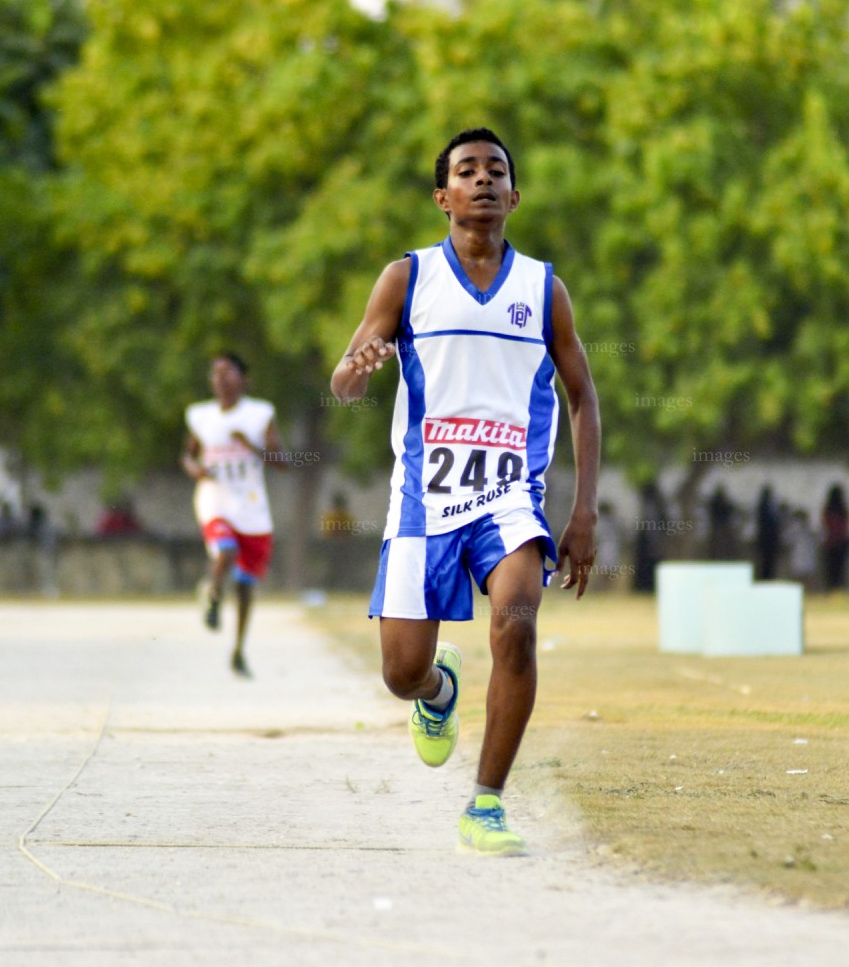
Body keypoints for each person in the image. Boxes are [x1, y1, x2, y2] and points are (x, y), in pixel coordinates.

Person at [330, 127, 600, 857]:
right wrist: (362, 365)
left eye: (497, 171)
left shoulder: (544, 289)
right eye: (467, 171)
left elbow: (582, 398)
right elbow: (345, 380)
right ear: (442, 196)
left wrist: (583, 510)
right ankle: (439, 693)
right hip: (424, 498)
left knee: (516, 623)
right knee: (400, 673)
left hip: (511, 496)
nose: (483, 180)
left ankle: (486, 805)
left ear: (514, 196)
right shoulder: (407, 278)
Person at [182, 352, 283, 679]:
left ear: (244, 379)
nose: (221, 379)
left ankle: (238, 650)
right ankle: (212, 594)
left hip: (251, 507)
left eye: (228, 372)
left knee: (244, 586)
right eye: (215, 373)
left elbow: (283, 461)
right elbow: (188, 454)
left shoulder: (260, 414)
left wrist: (250, 446)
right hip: (215, 498)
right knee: (225, 550)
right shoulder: (200, 416)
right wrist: (195, 470)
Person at [820, 483, 849, 591]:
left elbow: (825, 525)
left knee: (830, 569)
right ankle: (839, 587)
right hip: (842, 542)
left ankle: (831, 587)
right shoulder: (844, 510)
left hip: (831, 542)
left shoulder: (828, 509)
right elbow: (847, 525)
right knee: (841, 568)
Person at [783, 508, 817, 590]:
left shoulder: (810, 528)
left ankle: (809, 593)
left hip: (807, 556)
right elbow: (785, 539)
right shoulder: (795, 528)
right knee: (799, 577)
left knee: (807, 577)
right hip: (798, 556)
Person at [753, 486, 780, 580]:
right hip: (766, 539)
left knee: (769, 561)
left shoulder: (766, 506)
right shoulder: (764, 507)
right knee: (766, 562)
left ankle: (768, 577)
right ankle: (765, 578)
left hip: (768, 539)